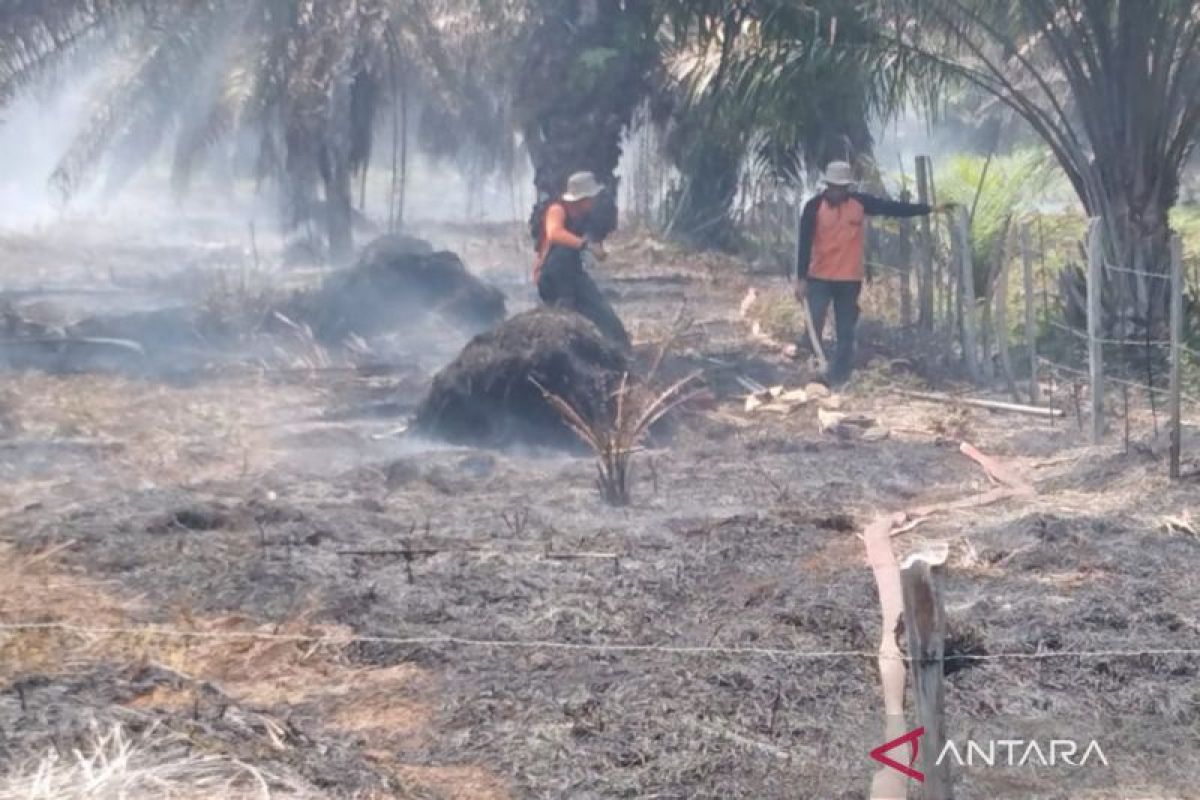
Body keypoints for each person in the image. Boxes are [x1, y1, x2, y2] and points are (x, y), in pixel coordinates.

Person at [794, 160, 952, 386]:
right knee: (814, 323)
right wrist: (801, 278)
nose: (837, 191)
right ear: (827, 185)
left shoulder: (859, 204)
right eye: (834, 187)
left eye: (842, 187)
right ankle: (813, 366)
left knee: (846, 330)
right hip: (819, 277)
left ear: (847, 187)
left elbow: (893, 208)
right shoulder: (813, 207)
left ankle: (838, 377)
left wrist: (928, 209)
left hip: (849, 280)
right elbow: (804, 242)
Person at [532, 171, 631, 349]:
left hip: (573, 274)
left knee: (604, 314)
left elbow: (591, 240)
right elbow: (555, 234)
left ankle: (621, 350)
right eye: (590, 198)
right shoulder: (557, 210)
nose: (593, 202)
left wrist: (597, 248)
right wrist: (584, 245)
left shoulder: (583, 218)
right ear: (582, 198)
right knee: (566, 320)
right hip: (553, 277)